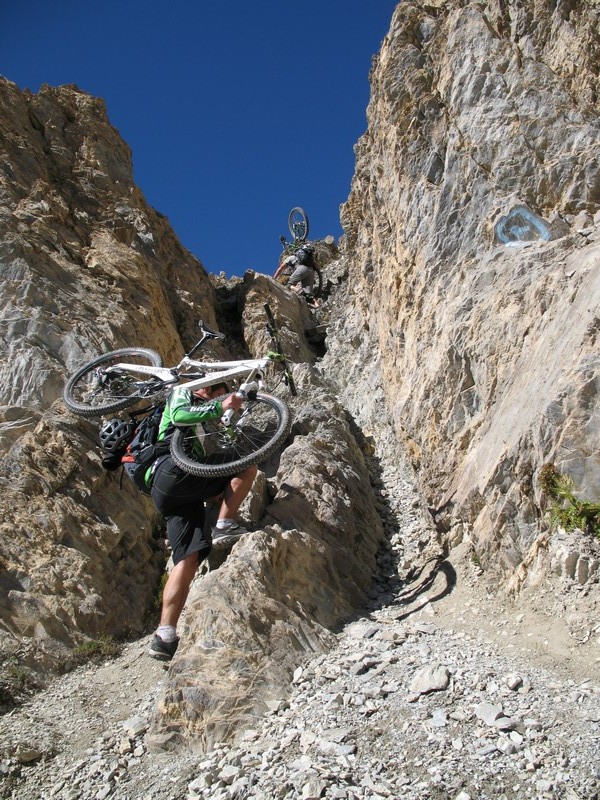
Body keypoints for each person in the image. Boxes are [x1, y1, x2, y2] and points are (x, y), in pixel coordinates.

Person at [147, 381, 257, 661]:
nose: (220, 406)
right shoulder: (184, 390)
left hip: (174, 493)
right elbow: (180, 416)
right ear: (207, 389)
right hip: (171, 470)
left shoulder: (204, 413)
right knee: (246, 465)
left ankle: (164, 635)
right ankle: (224, 526)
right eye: (219, 394)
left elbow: (215, 446)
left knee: (187, 558)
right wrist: (221, 404)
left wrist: (224, 416)